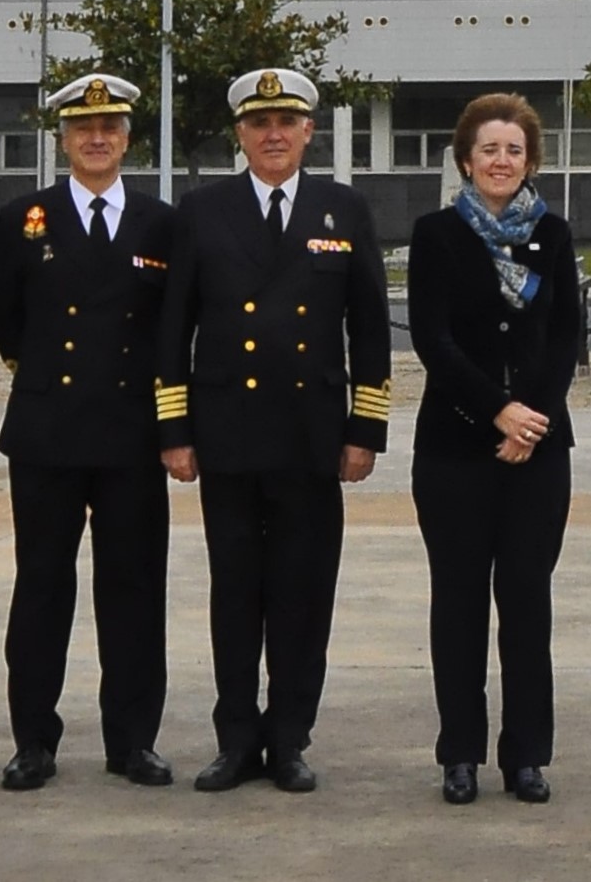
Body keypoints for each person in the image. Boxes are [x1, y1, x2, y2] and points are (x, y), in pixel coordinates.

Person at [154, 65, 391, 794]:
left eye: (287, 121)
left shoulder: (342, 209)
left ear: (309, 130)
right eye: (260, 123)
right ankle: (234, 738)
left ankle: (290, 735)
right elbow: (174, 327)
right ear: (241, 134)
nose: (274, 133)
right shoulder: (202, 209)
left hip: (311, 437)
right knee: (235, 592)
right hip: (228, 433)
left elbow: (371, 329)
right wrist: (175, 428)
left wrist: (365, 430)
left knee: (302, 591)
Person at [0, 71, 176, 792]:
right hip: (46, 430)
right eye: (81, 127)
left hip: (132, 431)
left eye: (110, 127)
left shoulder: (160, 223)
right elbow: (5, 315)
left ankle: (133, 739)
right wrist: (39, 375)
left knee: (132, 587)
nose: (96, 138)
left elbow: (170, 326)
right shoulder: (24, 218)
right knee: (41, 586)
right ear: (63, 137)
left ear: (127, 138)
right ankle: (32, 738)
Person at [406, 92, 584, 804]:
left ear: (530, 159)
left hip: (538, 452)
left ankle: (526, 756)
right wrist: (497, 411)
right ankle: (459, 753)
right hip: (454, 445)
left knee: (526, 602)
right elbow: (432, 337)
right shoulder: (437, 233)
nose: (502, 160)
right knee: (457, 603)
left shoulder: (555, 234)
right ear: (465, 160)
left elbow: (566, 335)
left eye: (514, 149)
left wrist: (531, 417)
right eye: (489, 149)